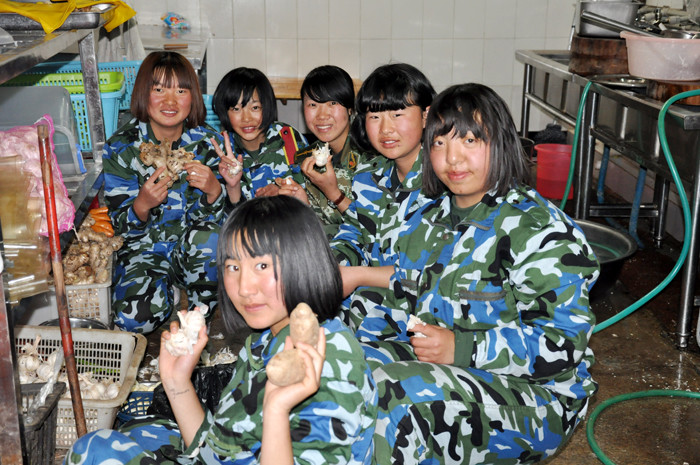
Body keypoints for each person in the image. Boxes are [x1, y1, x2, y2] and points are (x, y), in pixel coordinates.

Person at [370, 83, 600, 464]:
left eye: (470, 141)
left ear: (502, 144)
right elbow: (403, 295)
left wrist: (460, 348)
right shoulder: (429, 218)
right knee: (345, 367)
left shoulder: (536, 229)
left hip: (539, 399)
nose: (453, 158)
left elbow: (562, 343)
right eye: (440, 143)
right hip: (454, 369)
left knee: (397, 394)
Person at [65, 196, 378, 465]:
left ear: (304, 262)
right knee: (125, 435)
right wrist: (177, 383)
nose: (244, 288)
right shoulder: (269, 339)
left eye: (262, 266)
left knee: (94, 451)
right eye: (233, 267)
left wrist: (276, 409)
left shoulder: (327, 360)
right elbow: (218, 453)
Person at [104, 51, 225, 334]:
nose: (170, 102)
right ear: (143, 94)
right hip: (144, 251)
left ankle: (200, 312)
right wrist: (141, 206)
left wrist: (214, 191)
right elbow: (119, 229)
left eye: (181, 91)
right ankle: (164, 293)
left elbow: (218, 224)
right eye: (158, 90)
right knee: (133, 321)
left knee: (210, 239)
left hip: (192, 251)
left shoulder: (209, 143)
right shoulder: (121, 147)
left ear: (193, 98)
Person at [329, 63, 435, 359]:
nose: (386, 129)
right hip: (362, 305)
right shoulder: (369, 174)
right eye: (374, 116)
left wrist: (357, 276)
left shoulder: (444, 182)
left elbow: (432, 273)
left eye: (397, 114)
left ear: (426, 115)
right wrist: (334, 267)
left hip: (418, 323)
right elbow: (353, 234)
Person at [287, 65, 374, 239]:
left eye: (332, 103)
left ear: (350, 108)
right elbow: (316, 229)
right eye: (313, 105)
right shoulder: (306, 160)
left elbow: (374, 230)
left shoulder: (372, 156)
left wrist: (334, 193)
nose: (322, 115)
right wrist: (303, 204)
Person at [212, 67, 308, 206]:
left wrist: (284, 194)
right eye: (236, 109)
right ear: (225, 112)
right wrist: (233, 188)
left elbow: (313, 199)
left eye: (255, 108)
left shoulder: (288, 137)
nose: (246, 119)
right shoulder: (219, 150)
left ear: (266, 106)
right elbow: (217, 214)